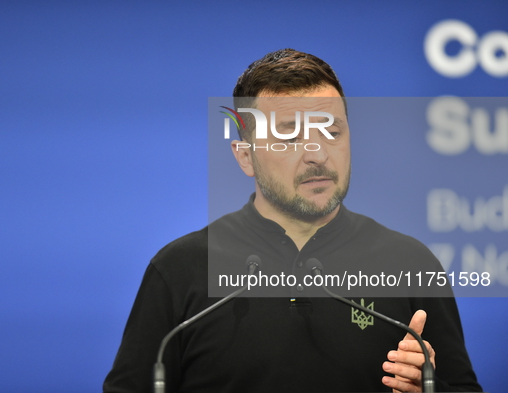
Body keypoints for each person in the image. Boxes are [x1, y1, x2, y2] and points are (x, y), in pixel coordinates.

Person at [103, 49, 482, 392]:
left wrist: (426, 389)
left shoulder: (409, 263)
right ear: (245, 156)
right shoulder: (180, 269)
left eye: (331, 132)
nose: (317, 154)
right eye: (290, 137)